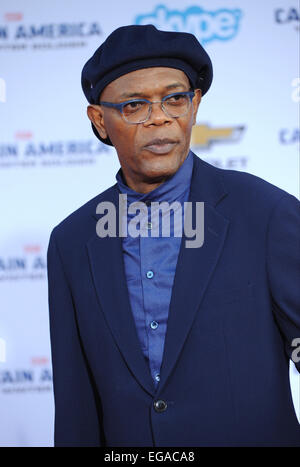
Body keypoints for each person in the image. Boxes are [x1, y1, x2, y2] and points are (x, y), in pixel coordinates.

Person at [47, 24, 300, 447]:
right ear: (100, 120)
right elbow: (76, 406)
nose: (160, 117)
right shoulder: (72, 242)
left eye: (174, 99)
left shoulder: (265, 213)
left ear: (195, 104)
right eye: (134, 105)